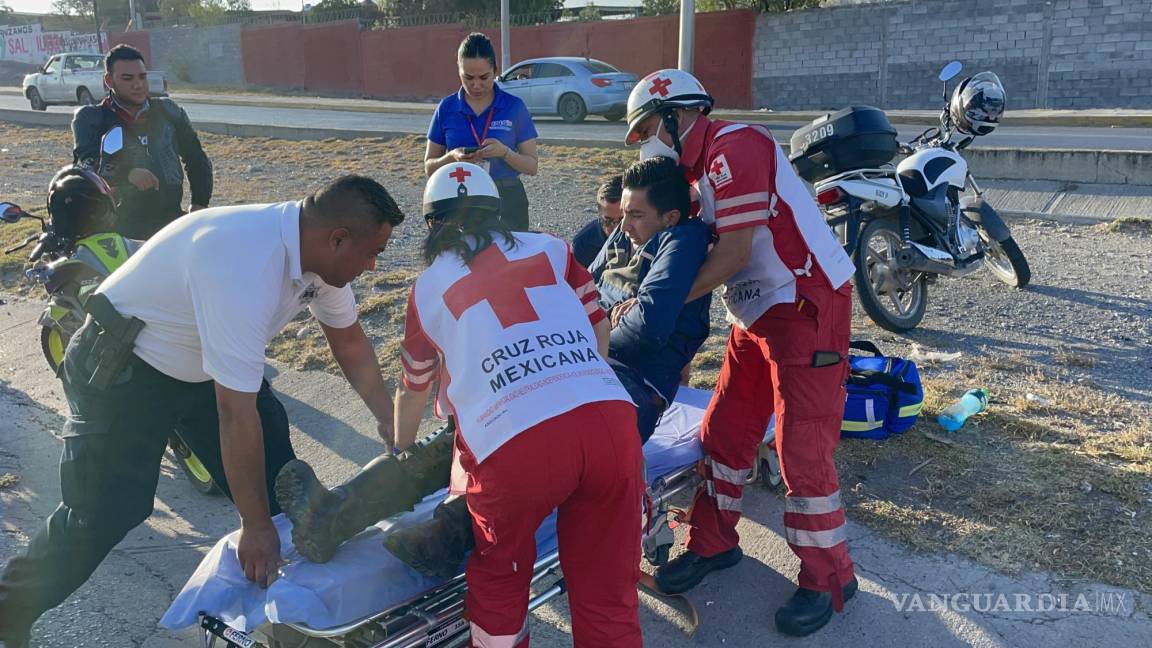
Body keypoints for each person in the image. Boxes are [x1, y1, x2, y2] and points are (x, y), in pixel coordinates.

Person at [0, 175, 404, 648]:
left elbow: (350, 342)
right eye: (372, 253)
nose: (374, 265)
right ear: (338, 239)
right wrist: (252, 528)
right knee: (105, 511)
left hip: (197, 359)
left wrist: (386, 418)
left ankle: (289, 626)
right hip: (123, 366)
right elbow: (236, 414)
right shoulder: (245, 261)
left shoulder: (320, 255)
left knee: (284, 496)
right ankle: (9, 612)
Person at [624, 69, 860, 637]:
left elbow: (730, 255)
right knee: (724, 433)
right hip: (755, 311)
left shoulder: (736, 148)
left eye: (650, 128)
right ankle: (713, 542)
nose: (647, 143)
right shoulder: (693, 174)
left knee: (800, 446)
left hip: (805, 303)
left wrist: (651, 309)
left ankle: (831, 579)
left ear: (681, 115)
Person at [392, 162, 643, 647]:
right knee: (607, 592)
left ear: (431, 226)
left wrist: (400, 449)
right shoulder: (551, 248)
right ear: (497, 211)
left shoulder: (427, 290)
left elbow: (414, 387)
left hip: (514, 441)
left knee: (500, 581)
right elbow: (599, 327)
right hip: (607, 419)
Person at [72, 44, 213, 240]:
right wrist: (126, 173)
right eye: (127, 78)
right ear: (109, 80)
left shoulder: (168, 111)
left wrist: (199, 203)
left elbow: (196, 158)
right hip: (119, 227)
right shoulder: (92, 118)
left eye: (142, 76)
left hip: (169, 220)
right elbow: (85, 166)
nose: (138, 85)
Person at [424, 33, 538, 231]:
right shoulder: (446, 108)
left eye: (484, 77)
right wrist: (452, 157)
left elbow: (532, 166)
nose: (476, 85)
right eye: (468, 77)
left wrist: (504, 153)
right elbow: (429, 167)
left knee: (507, 260)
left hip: (507, 199)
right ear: (458, 71)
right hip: (459, 199)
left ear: (495, 70)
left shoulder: (514, 107)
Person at [572, 174, 623, 268]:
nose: (616, 228)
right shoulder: (583, 244)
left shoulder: (650, 235)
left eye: (622, 220)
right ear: (598, 215)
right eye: (608, 221)